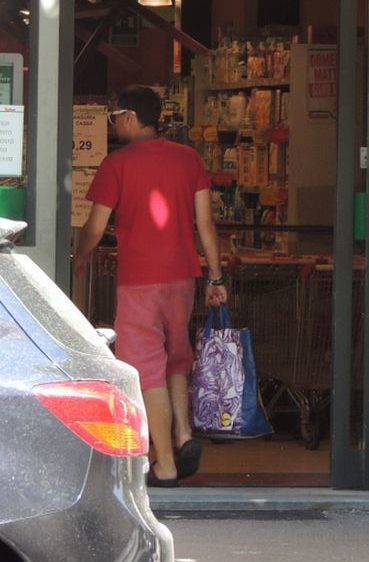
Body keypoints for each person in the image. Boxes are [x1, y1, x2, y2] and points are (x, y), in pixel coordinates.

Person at [74, 85, 228, 488]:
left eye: (114, 117)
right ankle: (183, 435)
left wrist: (80, 255)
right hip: (183, 277)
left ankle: (165, 464)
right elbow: (206, 225)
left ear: (128, 117)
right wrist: (216, 276)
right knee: (176, 356)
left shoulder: (116, 164)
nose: (114, 124)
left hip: (139, 280)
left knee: (145, 370)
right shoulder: (189, 159)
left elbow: (95, 225)